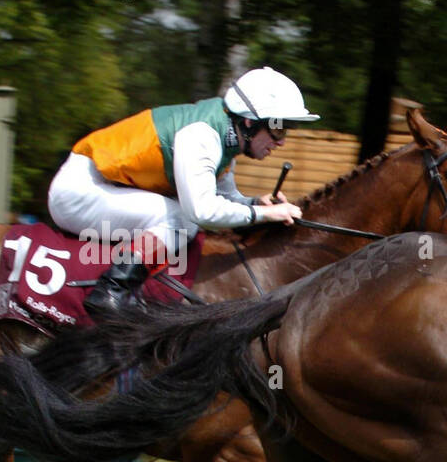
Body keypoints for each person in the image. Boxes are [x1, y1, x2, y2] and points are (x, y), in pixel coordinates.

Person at [47, 67, 316, 316]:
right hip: (80, 191)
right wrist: (265, 215)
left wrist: (257, 203)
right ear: (249, 122)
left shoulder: (223, 137)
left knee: (182, 217)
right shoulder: (202, 136)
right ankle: (111, 292)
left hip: (103, 187)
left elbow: (224, 198)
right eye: (278, 129)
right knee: (181, 219)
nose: (281, 142)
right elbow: (203, 211)